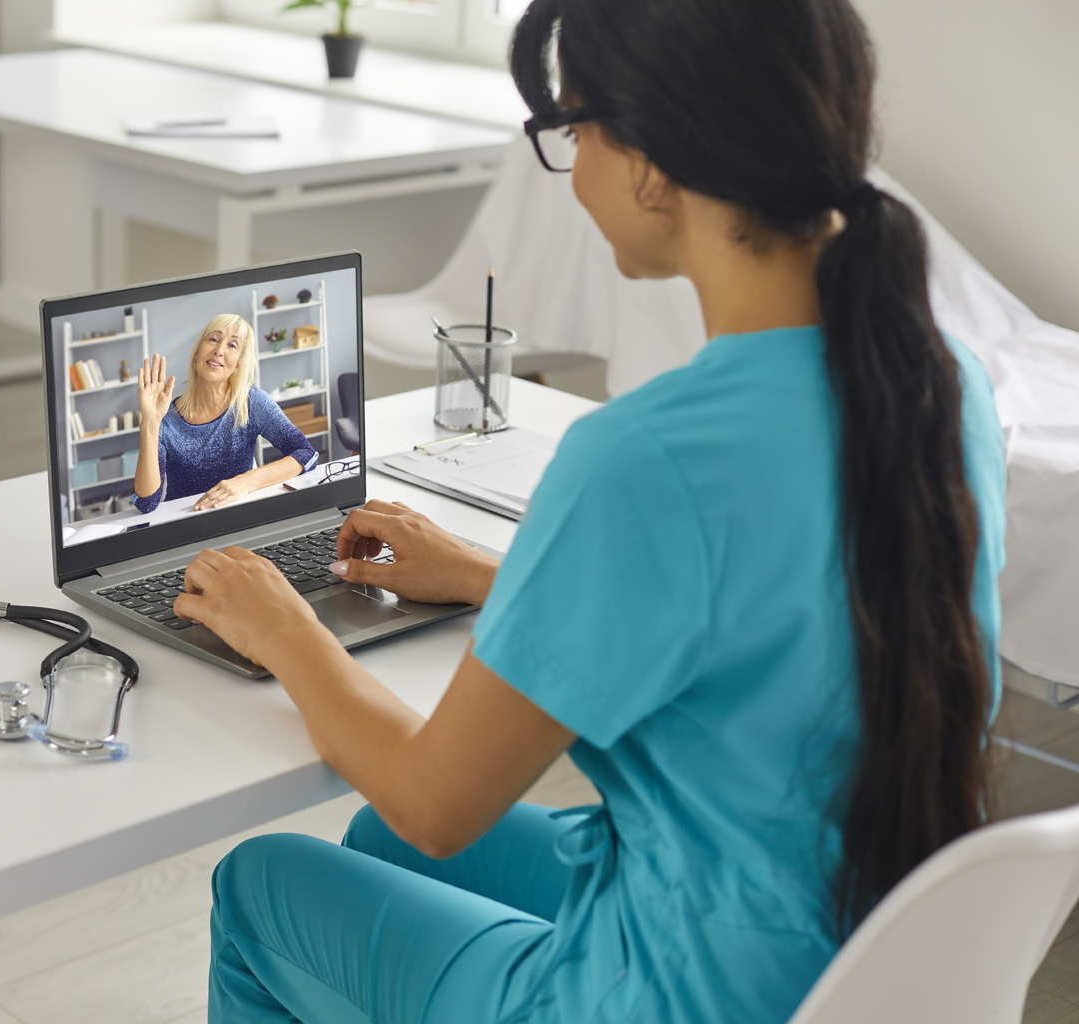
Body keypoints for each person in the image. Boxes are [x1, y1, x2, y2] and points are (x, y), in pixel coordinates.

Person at [172, 0, 1007, 1021]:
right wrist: (495, 577)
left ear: (653, 159)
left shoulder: (645, 453)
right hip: (848, 943)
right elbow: (770, 611)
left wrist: (285, 628)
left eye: (571, 130)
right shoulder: (940, 385)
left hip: (676, 993)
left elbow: (439, 803)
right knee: (375, 842)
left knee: (264, 880)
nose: (571, 173)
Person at [133, 314, 319, 514]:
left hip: (241, 519)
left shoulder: (251, 402)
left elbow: (306, 454)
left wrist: (247, 481)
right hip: (186, 528)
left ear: (238, 364)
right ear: (196, 353)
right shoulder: (166, 418)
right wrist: (150, 424)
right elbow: (147, 503)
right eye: (213, 339)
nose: (219, 350)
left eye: (232, 345)